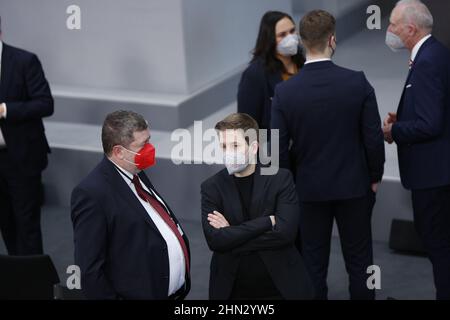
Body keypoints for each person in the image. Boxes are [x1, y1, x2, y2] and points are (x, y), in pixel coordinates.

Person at [271, 10, 385, 300]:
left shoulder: (285, 93)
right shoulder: (357, 82)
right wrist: (374, 177)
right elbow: (373, 138)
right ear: (332, 40)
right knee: (360, 264)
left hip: (308, 191)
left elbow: (277, 150)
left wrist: (287, 191)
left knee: (312, 263)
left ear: (301, 42)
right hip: (354, 186)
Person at [71, 110, 190, 300]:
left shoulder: (135, 172)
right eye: (143, 145)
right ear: (119, 151)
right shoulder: (91, 194)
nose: (150, 149)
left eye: (149, 140)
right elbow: (89, 271)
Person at [201, 113, 313, 300]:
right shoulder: (211, 187)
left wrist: (232, 234)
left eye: (235, 145)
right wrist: (266, 222)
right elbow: (215, 241)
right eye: (224, 146)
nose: (228, 152)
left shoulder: (280, 178)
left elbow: (286, 233)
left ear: (253, 147)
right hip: (233, 289)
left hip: (279, 286)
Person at [383, 0, 450, 300]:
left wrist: (394, 130)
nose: (389, 30)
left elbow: (431, 124)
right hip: (438, 172)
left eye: (393, 25)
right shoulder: (437, 53)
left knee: (438, 244)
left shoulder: (426, 62)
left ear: (410, 29)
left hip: (432, 176)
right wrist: (406, 117)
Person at [0, 16, 54, 255]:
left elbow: (45, 104)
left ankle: (35, 283)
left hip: (21, 158)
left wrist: (4, 109)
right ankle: (16, 277)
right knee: (6, 224)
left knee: (27, 224)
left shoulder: (24, 61)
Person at [238, 11, 305, 131]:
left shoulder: (303, 63)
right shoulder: (255, 75)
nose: (290, 37)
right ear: (270, 39)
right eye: (282, 35)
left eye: (292, 31)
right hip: (274, 143)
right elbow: (247, 126)